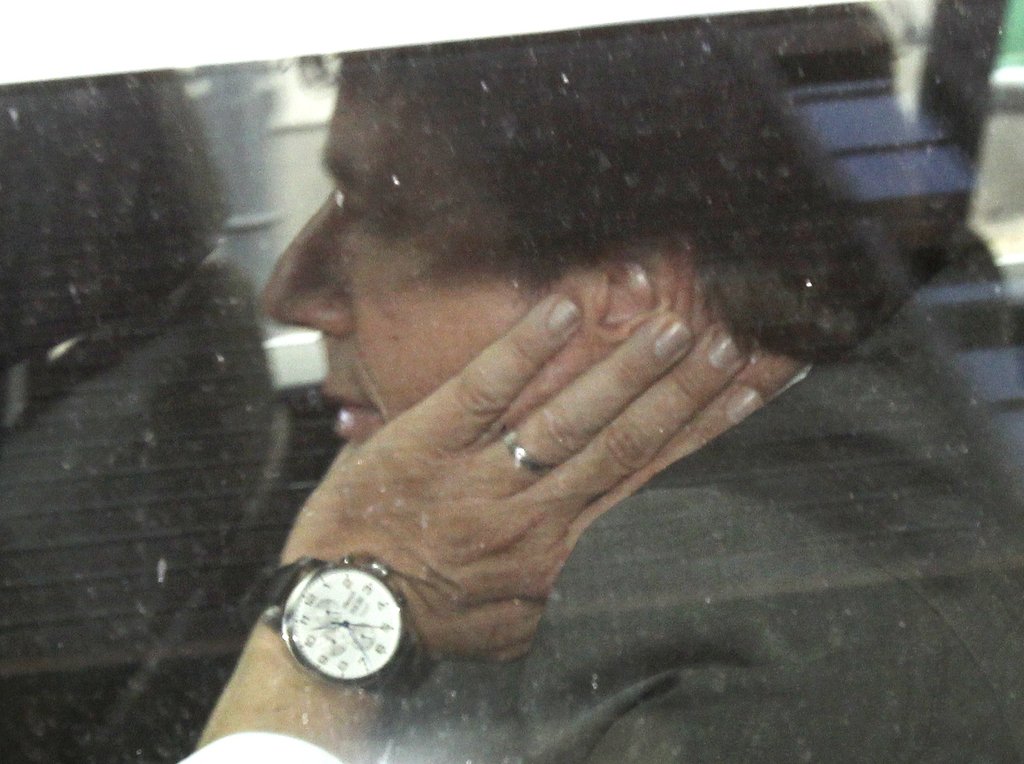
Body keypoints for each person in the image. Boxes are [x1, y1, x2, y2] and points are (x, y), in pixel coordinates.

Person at [197, 16, 1024, 763]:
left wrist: (334, 621)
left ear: (625, 293)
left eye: (379, 214)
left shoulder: (726, 631)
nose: (289, 292)